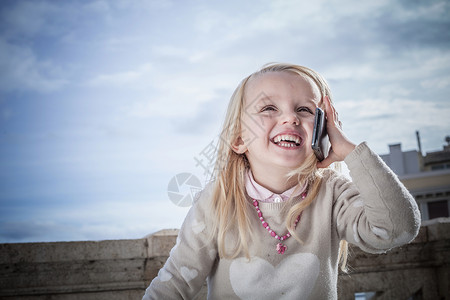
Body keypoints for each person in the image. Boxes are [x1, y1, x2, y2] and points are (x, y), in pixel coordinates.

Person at [143, 63, 421, 299]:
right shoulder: (217, 201)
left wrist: (351, 152)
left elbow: (398, 228)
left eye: (305, 110)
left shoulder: (333, 195)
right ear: (239, 139)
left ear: (323, 130)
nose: (290, 117)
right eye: (268, 109)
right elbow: (175, 284)